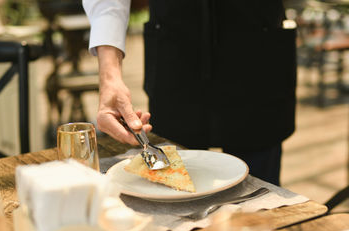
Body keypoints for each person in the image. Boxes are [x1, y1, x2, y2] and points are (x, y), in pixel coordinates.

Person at [82, 0, 297, 186]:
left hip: (259, 58)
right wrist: (110, 76)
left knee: (260, 207)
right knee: (171, 193)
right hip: (174, 61)